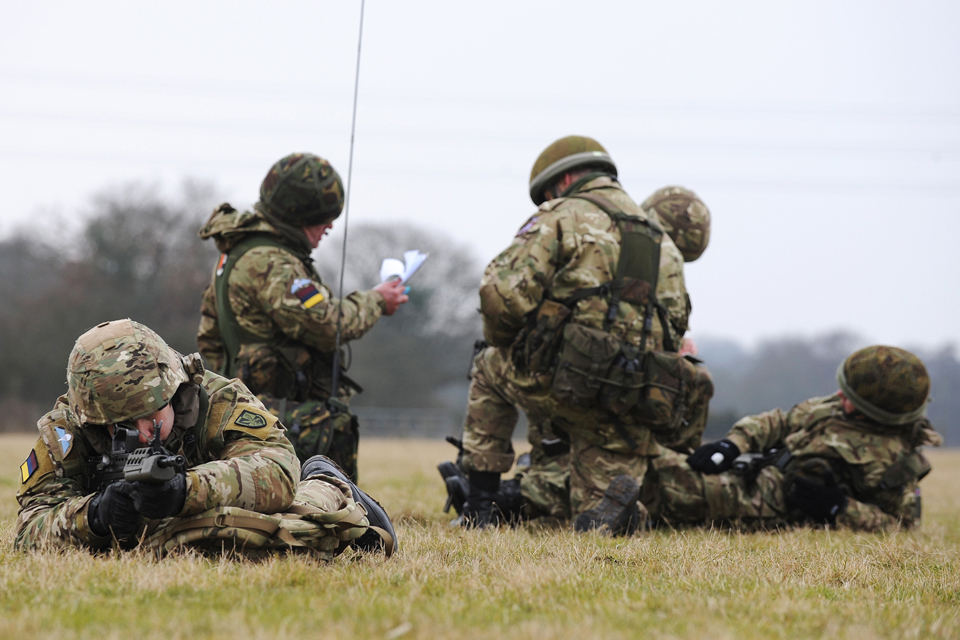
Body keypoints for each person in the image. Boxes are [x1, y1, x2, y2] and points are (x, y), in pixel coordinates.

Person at [453, 136, 708, 534]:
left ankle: (479, 506)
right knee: (591, 509)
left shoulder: (563, 216)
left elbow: (500, 298)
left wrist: (506, 339)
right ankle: (618, 514)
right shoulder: (664, 244)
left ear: (566, 177)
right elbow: (673, 332)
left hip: (562, 385)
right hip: (630, 402)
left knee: (489, 364)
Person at [15, 319, 396, 555]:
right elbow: (30, 530)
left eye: (152, 416)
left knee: (270, 530)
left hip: (225, 500)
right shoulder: (67, 432)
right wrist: (96, 517)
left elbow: (277, 472)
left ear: (172, 391)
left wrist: (184, 490)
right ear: (97, 421)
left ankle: (330, 485)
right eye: (126, 425)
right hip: (162, 534)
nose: (145, 433)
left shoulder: (217, 399)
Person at [197, 153, 408, 481]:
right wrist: (377, 300)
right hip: (272, 415)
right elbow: (328, 325)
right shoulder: (274, 264)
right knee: (335, 424)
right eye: (322, 217)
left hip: (241, 406)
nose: (330, 226)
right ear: (298, 215)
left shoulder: (237, 252)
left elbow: (210, 337)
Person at [639, 346, 941, 532]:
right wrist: (732, 445)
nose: (839, 397)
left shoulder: (898, 460)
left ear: (877, 413)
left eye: (851, 398)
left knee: (672, 482)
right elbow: (779, 422)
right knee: (651, 456)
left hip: (772, 505)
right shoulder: (836, 408)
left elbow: (901, 526)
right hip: (757, 468)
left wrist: (838, 507)